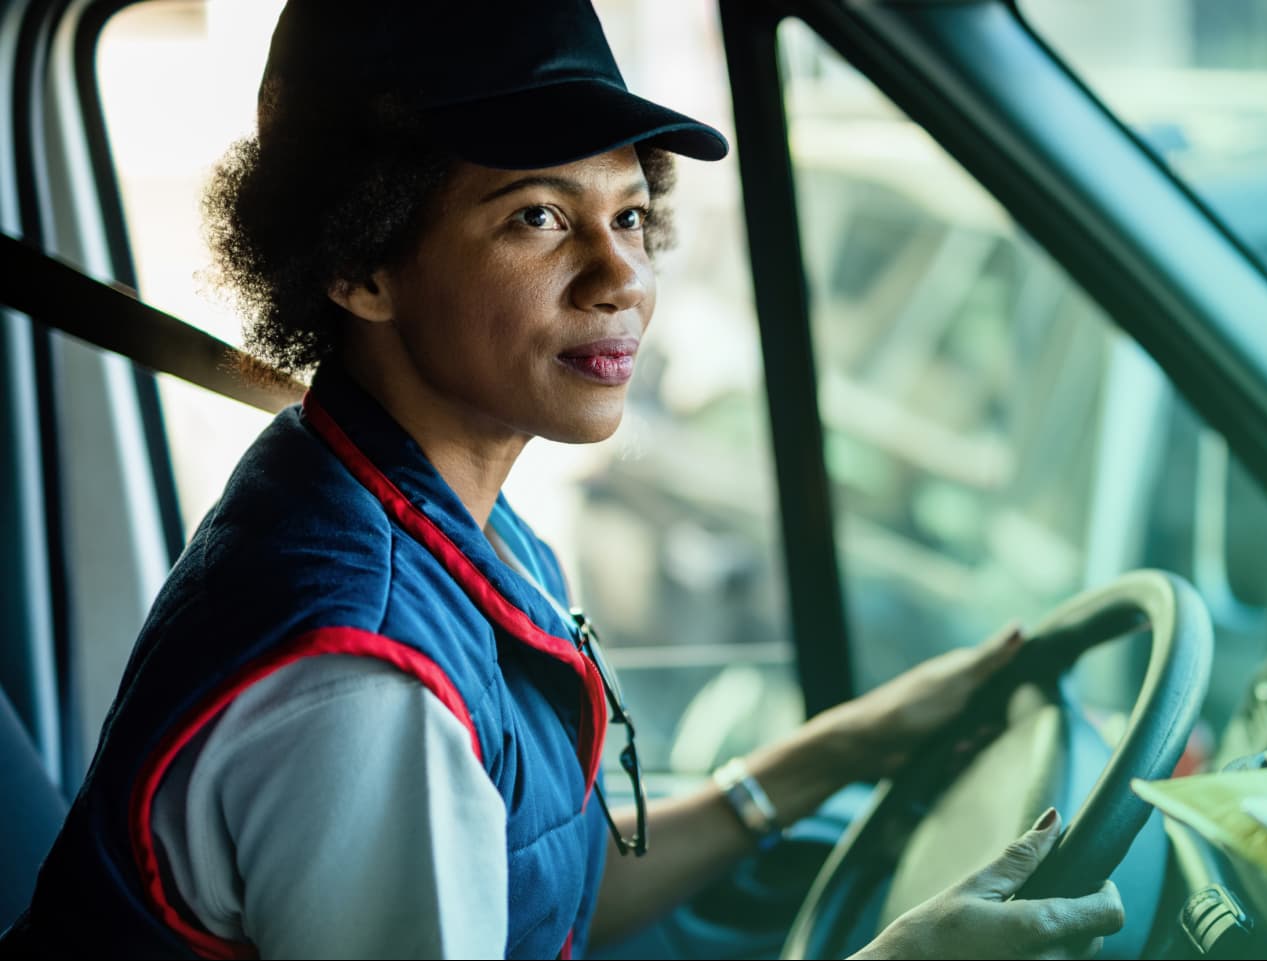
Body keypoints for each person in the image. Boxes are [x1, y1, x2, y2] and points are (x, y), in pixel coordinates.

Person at [1, 0, 1126, 958]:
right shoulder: (364, 688)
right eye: (539, 216)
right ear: (357, 262)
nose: (622, 275)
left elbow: (553, 891)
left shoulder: (415, 506)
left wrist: (836, 747)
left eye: (631, 212)